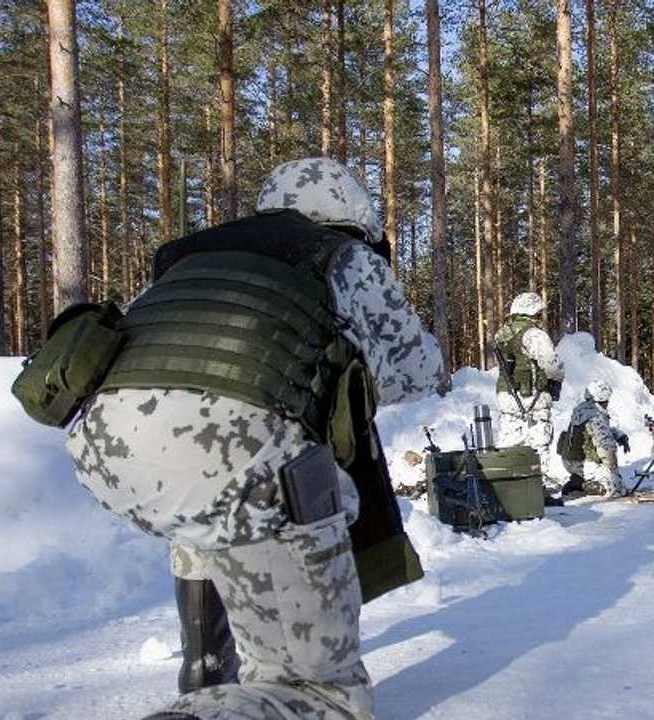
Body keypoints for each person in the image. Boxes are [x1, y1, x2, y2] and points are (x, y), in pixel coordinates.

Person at [64, 156, 443, 720]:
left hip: (103, 448)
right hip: (241, 458)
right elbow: (421, 370)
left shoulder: (191, 256)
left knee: (212, 492)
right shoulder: (343, 256)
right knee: (319, 694)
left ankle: (207, 665)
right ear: (352, 215)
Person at [492, 292, 563, 451]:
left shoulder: (502, 334)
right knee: (537, 449)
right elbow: (552, 366)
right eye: (539, 313)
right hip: (531, 397)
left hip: (506, 396)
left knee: (510, 448)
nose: (540, 317)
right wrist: (555, 382)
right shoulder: (534, 334)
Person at [555, 381, 628, 499]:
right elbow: (606, 447)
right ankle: (580, 484)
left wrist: (619, 435)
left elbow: (597, 430)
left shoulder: (581, 409)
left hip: (568, 461)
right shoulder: (596, 416)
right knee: (616, 488)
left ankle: (578, 478)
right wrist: (613, 472)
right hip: (583, 463)